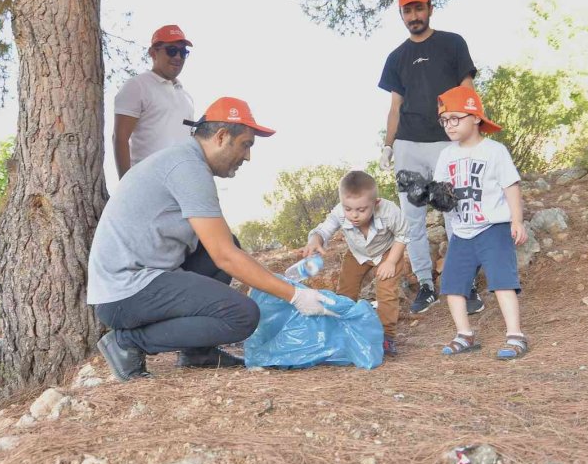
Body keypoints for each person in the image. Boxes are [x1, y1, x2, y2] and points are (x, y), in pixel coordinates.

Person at [88, 96, 336, 382]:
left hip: (137, 280)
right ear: (221, 137)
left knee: (227, 244)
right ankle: (128, 343)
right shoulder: (187, 168)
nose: (248, 156)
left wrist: (276, 282)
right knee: (242, 316)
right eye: (246, 144)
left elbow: (222, 248)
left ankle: (197, 352)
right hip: (124, 291)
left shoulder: (185, 160)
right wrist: (294, 295)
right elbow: (225, 256)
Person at [378, 0, 484, 315]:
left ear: (430, 8)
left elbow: (467, 89)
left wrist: (471, 130)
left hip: (446, 142)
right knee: (413, 221)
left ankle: (464, 284)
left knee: (455, 214)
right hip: (409, 145)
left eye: (419, 8)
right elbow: (395, 106)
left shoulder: (452, 44)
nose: (414, 15)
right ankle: (425, 284)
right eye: (407, 10)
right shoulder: (396, 57)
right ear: (402, 14)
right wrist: (387, 144)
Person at [432, 85, 529, 360]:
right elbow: (441, 189)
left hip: (493, 227)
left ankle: (515, 335)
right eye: (444, 120)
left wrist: (517, 220)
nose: (449, 125)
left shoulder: (494, 151)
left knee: (502, 281)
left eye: (455, 118)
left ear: (474, 117)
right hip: (461, 231)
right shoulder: (446, 155)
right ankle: (465, 334)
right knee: (452, 284)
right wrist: (430, 193)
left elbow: (511, 186)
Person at [301, 171, 410, 357]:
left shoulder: (389, 211)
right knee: (346, 290)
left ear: (375, 203)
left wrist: (391, 261)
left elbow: (403, 234)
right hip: (357, 254)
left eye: (361, 210)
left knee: (386, 291)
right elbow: (323, 230)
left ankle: (387, 336)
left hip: (387, 252)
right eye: (348, 209)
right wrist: (315, 240)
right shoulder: (339, 212)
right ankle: (343, 328)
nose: (354, 215)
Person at [113, 24, 195, 178]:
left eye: (183, 52)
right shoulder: (137, 86)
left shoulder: (186, 97)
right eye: (171, 50)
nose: (177, 57)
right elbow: (120, 138)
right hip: (147, 183)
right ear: (153, 53)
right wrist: (126, 184)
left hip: (180, 184)